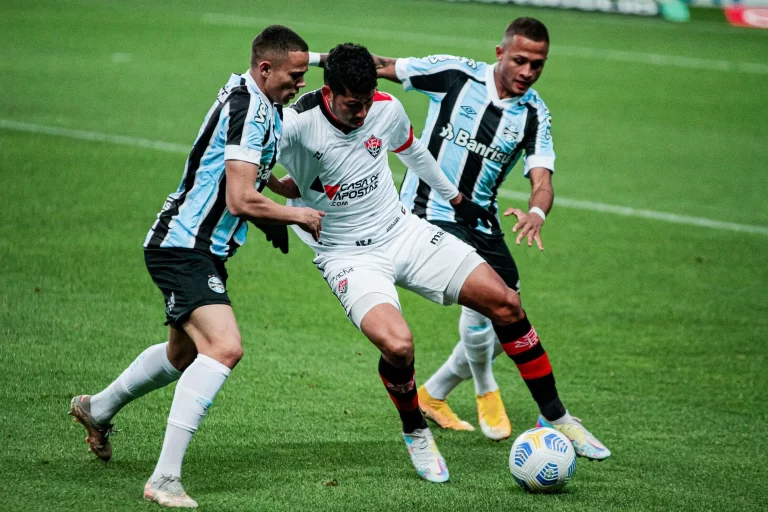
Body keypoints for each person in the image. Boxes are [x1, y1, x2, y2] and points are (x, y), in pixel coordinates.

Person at [309, 19, 611, 460]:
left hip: (479, 216)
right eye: (520, 60)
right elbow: (382, 67)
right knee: (482, 304)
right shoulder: (455, 75)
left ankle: (450, 394)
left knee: (509, 306)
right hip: (425, 210)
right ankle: (487, 390)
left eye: (538, 64)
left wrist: (536, 210)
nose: (527, 71)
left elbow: (542, 178)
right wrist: (312, 60)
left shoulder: (534, 113)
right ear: (500, 52)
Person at [68, 25, 324, 508]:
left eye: (305, 75)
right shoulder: (248, 108)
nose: (299, 84)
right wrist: (294, 216)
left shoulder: (261, 100)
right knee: (224, 347)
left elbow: (250, 179)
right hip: (182, 246)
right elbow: (239, 195)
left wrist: (289, 194)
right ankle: (164, 479)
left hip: (201, 248)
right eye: (294, 75)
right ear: (265, 68)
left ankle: (96, 408)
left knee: (182, 354)